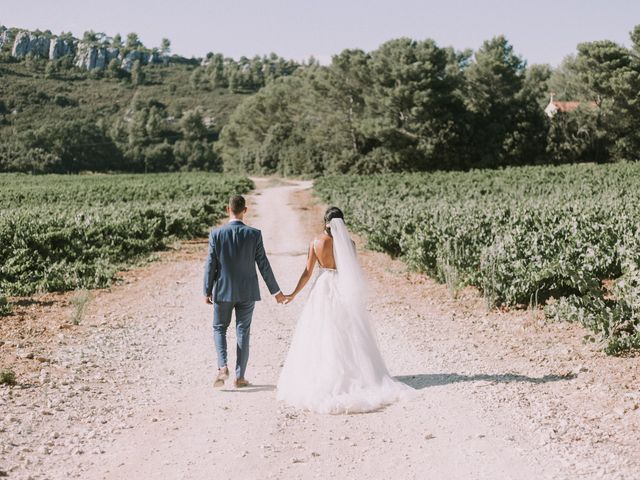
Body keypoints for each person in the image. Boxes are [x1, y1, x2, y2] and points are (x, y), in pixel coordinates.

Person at [276, 207, 414, 413]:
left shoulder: (316, 242)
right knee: (348, 333)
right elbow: (351, 270)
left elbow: (307, 272)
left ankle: (322, 375)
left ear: (325, 222)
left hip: (323, 287)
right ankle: (357, 374)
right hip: (342, 287)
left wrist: (293, 293)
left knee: (321, 331)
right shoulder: (349, 244)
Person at [203, 195, 286, 388]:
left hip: (223, 291)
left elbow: (210, 265)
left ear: (227, 209)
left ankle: (222, 367)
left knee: (219, 328)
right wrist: (276, 292)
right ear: (245, 210)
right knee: (243, 332)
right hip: (247, 292)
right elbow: (263, 264)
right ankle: (239, 377)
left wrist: (207, 290)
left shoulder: (216, 234)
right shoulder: (254, 234)